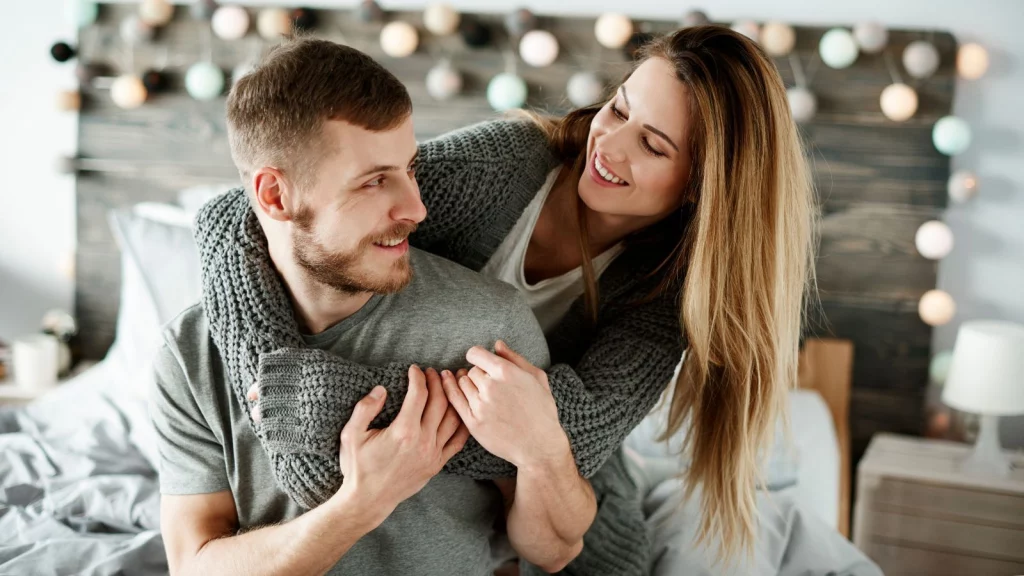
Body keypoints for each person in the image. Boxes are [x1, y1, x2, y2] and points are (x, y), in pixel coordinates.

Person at [208, 25, 818, 571]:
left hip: (561, 494)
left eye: (653, 145)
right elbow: (232, 217)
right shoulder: (509, 164)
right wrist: (269, 374)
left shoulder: (669, 291)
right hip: (441, 478)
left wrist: (337, 401)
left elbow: (569, 436)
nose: (609, 145)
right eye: (618, 108)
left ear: (704, 188)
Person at [152, 39, 597, 575]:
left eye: (409, 168)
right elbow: (193, 565)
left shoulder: (486, 329)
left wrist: (544, 452)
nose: (416, 207)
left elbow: (552, 551)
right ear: (274, 196)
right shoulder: (190, 354)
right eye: (374, 181)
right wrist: (359, 504)